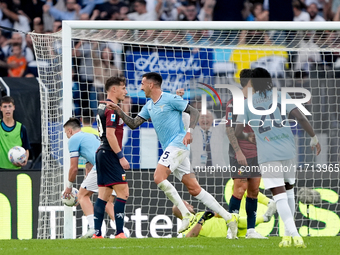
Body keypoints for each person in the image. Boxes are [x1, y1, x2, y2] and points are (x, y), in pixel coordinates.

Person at [100, 72, 239, 238]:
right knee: (194, 189)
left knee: (158, 177)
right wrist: (119, 111)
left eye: (143, 83)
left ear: (151, 85)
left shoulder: (170, 99)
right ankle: (229, 218)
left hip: (179, 143)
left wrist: (189, 132)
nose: (141, 87)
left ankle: (186, 214)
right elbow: (134, 124)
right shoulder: (149, 106)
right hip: (172, 148)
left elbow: (194, 112)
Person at [235, 67, 321, 248]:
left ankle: (295, 235)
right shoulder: (280, 95)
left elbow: (237, 131)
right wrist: (313, 137)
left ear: (252, 83)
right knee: (289, 190)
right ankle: (287, 235)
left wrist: (247, 136)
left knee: (279, 195)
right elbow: (301, 118)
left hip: (268, 154)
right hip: (289, 150)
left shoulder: (247, 103)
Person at [226, 69, 266, 239]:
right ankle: (231, 229)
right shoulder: (234, 102)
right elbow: (229, 129)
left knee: (254, 190)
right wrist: (238, 152)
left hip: (257, 153)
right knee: (239, 189)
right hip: (240, 154)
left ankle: (251, 230)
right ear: (249, 82)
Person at [62, 117, 116, 239]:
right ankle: (122, 231)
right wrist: (87, 176)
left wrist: (69, 188)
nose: (67, 136)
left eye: (66, 133)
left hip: (101, 166)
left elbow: (74, 168)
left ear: (70, 131)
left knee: (82, 195)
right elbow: (90, 161)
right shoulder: (89, 136)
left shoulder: (73, 139)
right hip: (113, 165)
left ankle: (94, 228)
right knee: (106, 201)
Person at [93, 76, 130, 239]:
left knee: (104, 195)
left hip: (102, 153)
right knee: (123, 193)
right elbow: (110, 134)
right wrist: (121, 156)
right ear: (113, 89)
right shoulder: (111, 109)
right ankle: (120, 232)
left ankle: (97, 234)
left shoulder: (103, 106)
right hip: (110, 154)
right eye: (123, 88)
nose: (126, 91)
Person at [173, 188, 277, 238]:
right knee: (240, 223)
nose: (191, 205)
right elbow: (189, 238)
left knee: (240, 188)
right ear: (182, 209)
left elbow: (217, 214)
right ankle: (264, 218)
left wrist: (225, 215)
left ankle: (268, 204)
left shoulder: (199, 214)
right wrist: (201, 220)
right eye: (187, 204)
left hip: (228, 223)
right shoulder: (184, 229)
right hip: (226, 233)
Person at [0, 96, 30, 169]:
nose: (7, 109)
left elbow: (26, 148)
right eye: (5, 107)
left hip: (16, 169)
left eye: (10, 106)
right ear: (0, 108)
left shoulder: (21, 128)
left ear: (14, 107)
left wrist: (25, 159)